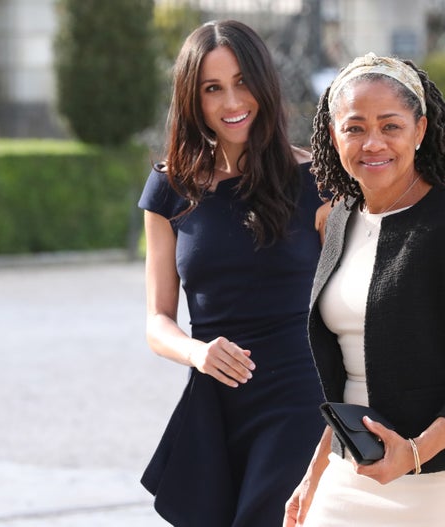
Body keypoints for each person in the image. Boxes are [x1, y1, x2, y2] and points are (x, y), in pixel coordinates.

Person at [284, 53, 445, 527]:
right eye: (354, 128)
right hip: (351, 472)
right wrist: (315, 473)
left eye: (390, 126)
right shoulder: (339, 219)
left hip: (444, 482)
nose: (372, 143)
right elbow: (349, 371)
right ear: (334, 136)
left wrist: (414, 453)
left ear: (420, 130)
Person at [137, 20, 328, 527]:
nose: (231, 102)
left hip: (299, 400)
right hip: (214, 403)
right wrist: (197, 352)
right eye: (212, 88)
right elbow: (157, 320)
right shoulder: (169, 191)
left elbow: (351, 304)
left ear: (263, 83)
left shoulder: (316, 183)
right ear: (192, 98)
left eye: (242, 82)